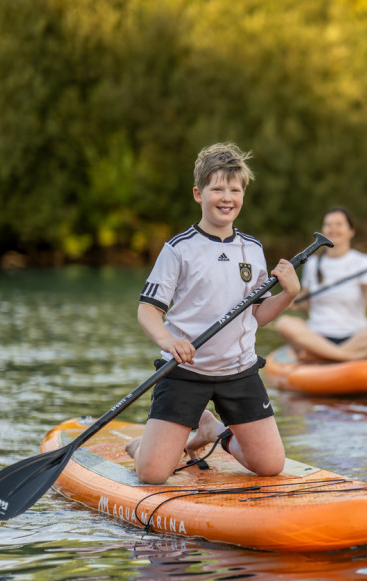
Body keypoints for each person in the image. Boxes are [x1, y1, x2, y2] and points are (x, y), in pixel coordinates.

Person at [124, 143, 301, 484]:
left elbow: (258, 316)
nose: (226, 197)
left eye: (235, 189)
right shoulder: (179, 249)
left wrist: (290, 294)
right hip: (185, 370)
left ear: (243, 196)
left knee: (270, 465)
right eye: (217, 188)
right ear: (198, 193)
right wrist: (167, 339)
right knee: (152, 475)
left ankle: (213, 429)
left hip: (239, 371)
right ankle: (141, 446)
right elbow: (148, 310)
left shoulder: (252, 249)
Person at [274, 207, 367, 362]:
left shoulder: (362, 261)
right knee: (284, 324)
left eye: (339, 224)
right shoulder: (312, 263)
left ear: (351, 231)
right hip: (318, 336)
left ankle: (321, 357)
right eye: (328, 225)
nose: (333, 229)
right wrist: (291, 299)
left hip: (356, 336)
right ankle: (347, 357)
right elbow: (307, 303)